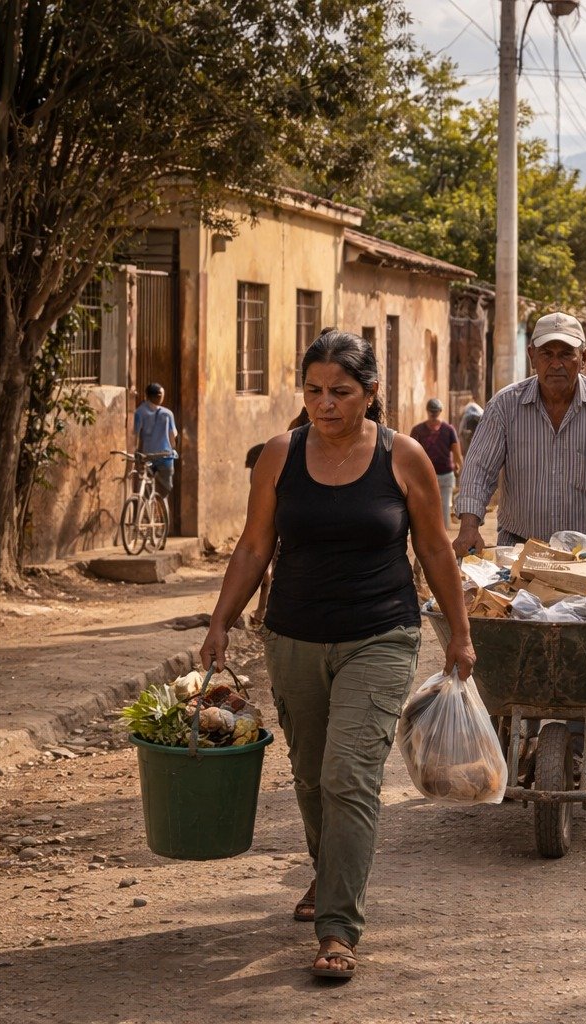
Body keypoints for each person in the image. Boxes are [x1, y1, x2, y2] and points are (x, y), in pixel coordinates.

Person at [198, 329, 474, 981]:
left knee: (349, 776)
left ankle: (338, 927)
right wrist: (220, 622)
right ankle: (330, 872)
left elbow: (434, 549)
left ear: (370, 393)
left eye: (341, 392)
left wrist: (459, 633)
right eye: (314, 391)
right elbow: (253, 546)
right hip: (292, 637)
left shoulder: (403, 457)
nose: (325, 404)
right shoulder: (280, 455)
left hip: (380, 636)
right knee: (312, 775)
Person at [451, 311, 586, 557]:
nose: (556, 364)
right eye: (547, 354)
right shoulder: (504, 406)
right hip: (520, 548)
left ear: (583, 358)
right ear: (532, 356)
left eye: (566, 354)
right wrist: (469, 527)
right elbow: (479, 469)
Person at [411, 398, 462, 525]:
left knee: (430, 507)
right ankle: (441, 533)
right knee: (442, 507)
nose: (433, 414)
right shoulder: (448, 429)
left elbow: (411, 454)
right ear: (440, 411)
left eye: (434, 411)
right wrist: (460, 469)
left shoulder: (419, 430)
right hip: (431, 475)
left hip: (433, 474)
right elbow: (457, 454)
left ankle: (435, 532)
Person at [133, 382, 178, 503]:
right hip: (165, 457)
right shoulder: (167, 414)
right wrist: (173, 449)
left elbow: (135, 435)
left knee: (145, 487)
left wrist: (136, 452)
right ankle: (160, 508)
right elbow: (172, 437)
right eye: (161, 395)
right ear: (157, 396)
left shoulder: (139, 412)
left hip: (147, 456)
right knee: (164, 489)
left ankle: (147, 510)